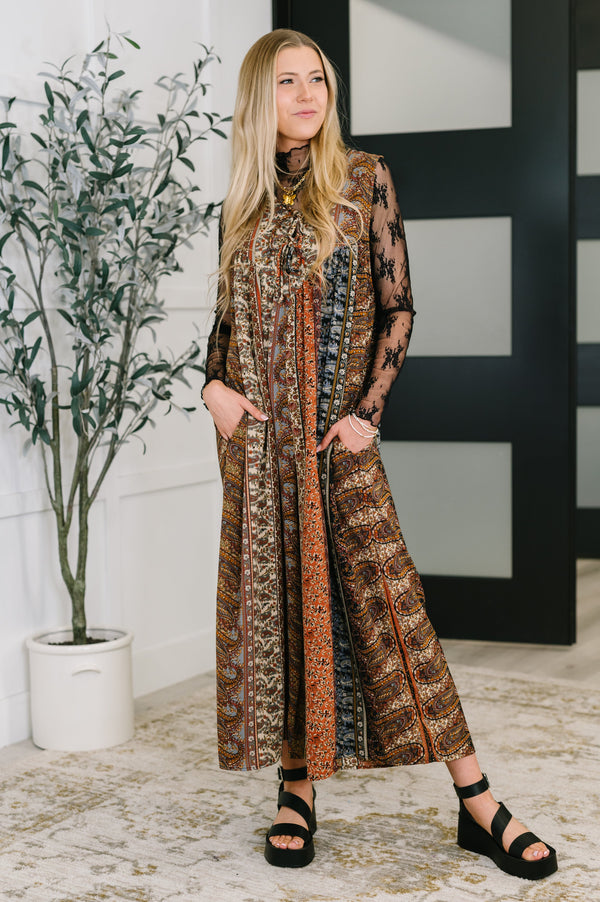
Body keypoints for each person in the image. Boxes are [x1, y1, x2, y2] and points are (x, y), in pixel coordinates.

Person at [201, 28, 557, 880]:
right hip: (259, 453)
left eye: (317, 78)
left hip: (336, 440)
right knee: (286, 614)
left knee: (395, 618)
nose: (307, 94)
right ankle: (297, 790)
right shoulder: (242, 204)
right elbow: (222, 330)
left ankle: (478, 803)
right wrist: (209, 388)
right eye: (287, 82)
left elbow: (399, 308)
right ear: (260, 98)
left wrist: (365, 413)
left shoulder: (363, 179)